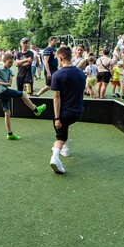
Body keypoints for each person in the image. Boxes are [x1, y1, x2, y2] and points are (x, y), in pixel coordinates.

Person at [0, 53, 46, 140]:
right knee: (23, 94)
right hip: (2, 91)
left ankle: (9, 134)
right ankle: (36, 110)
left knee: (7, 113)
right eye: (9, 62)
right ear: (4, 61)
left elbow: (9, 84)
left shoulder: (10, 71)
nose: (11, 64)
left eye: (12, 62)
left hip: (3, 91)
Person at [49, 46, 86, 174]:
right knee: (65, 128)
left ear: (60, 58)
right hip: (78, 112)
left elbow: (56, 98)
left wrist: (57, 118)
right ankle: (65, 150)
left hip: (64, 113)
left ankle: (55, 158)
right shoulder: (81, 73)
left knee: (60, 137)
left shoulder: (57, 75)